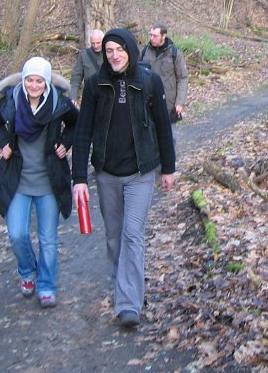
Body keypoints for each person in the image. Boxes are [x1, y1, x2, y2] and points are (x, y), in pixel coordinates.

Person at [71, 28, 176, 329]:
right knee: (114, 236)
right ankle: (123, 287)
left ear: (130, 50)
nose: (114, 55)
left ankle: (129, 303)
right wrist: (79, 177)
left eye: (119, 49)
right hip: (106, 174)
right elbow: (83, 132)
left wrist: (168, 168)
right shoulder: (95, 85)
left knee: (132, 233)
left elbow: (163, 127)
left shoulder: (149, 82)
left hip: (140, 173)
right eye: (109, 51)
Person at [0, 56, 78, 309]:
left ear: (47, 81)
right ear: (23, 80)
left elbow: (76, 124)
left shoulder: (59, 102)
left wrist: (66, 143)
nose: (34, 85)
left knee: (48, 240)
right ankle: (27, 272)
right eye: (29, 80)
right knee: (17, 234)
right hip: (18, 180)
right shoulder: (12, 99)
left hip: (49, 181)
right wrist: (4, 143)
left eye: (39, 81)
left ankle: (46, 286)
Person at [140, 24, 188, 124]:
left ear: (164, 36)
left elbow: (182, 78)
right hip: (147, 103)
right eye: (150, 35)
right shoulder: (144, 52)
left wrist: (179, 102)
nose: (151, 38)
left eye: (155, 36)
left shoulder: (175, 53)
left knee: (169, 133)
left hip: (168, 104)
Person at [69, 29, 104, 106]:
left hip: (107, 97)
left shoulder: (110, 54)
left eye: (98, 43)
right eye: (93, 43)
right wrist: (72, 97)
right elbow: (76, 78)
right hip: (90, 97)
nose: (95, 46)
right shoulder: (84, 55)